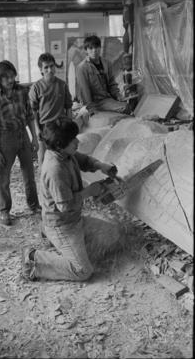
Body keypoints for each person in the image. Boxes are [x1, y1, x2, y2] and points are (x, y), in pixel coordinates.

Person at [21, 117, 125, 282]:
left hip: (75, 220)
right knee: (83, 271)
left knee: (113, 234)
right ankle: (35, 259)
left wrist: (101, 166)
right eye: (72, 140)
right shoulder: (55, 169)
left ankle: (69, 248)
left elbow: (83, 160)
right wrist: (89, 192)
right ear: (60, 145)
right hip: (63, 225)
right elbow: (65, 206)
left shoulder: (65, 154)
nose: (77, 142)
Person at [0, 60, 41, 226]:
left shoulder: (22, 91)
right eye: (6, 77)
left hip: (22, 135)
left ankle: (34, 205)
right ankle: (4, 211)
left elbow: (30, 116)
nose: (10, 80)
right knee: (4, 178)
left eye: (12, 76)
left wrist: (34, 137)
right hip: (4, 137)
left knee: (29, 174)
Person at [29, 52, 73, 168]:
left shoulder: (62, 85)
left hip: (61, 127)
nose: (50, 70)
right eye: (46, 67)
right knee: (43, 161)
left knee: (62, 159)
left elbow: (68, 107)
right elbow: (33, 112)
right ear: (41, 70)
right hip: (44, 129)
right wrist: (37, 130)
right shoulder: (36, 87)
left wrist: (69, 125)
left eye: (52, 66)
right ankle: (43, 184)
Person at [76, 35, 131, 115]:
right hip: (94, 102)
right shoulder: (82, 67)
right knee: (124, 107)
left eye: (96, 47)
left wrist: (118, 95)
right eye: (91, 48)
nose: (94, 51)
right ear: (86, 50)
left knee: (127, 106)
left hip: (106, 99)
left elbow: (112, 83)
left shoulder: (106, 63)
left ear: (100, 48)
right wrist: (90, 109)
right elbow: (84, 90)